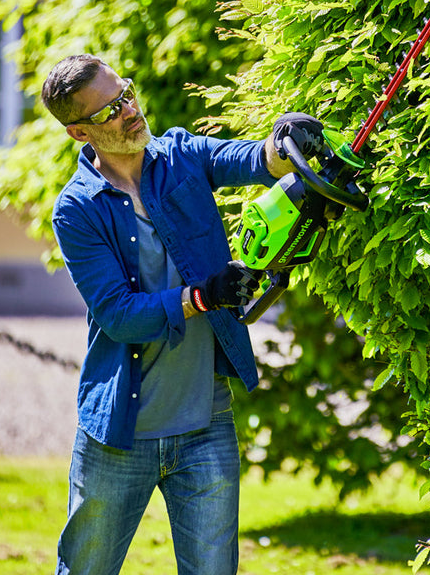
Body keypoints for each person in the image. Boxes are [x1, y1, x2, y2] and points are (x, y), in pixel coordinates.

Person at [40, 54, 323, 575]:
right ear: (80, 132)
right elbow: (119, 315)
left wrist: (286, 146)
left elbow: (250, 159)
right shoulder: (77, 209)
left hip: (204, 422)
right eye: (110, 111)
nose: (129, 111)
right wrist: (202, 297)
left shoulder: (181, 156)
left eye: (126, 93)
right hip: (119, 434)